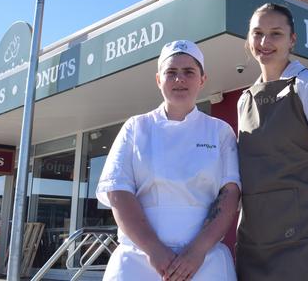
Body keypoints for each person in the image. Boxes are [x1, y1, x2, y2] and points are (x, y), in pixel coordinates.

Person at [96, 40, 241, 281]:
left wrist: (196, 252)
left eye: (188, 72)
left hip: (205, 262)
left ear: (202, 79)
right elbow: (118, 192)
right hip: (138, 260)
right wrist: (155, 250)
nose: (179, 79)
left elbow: (230, 194)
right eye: (170, 72)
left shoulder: (220, 132)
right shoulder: (136, 127)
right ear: (158, 80)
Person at [236, 3, 308, 281]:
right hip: (257, 241)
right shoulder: (244, 101)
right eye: (258, 33)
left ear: (292, 40)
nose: (265, 42)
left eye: (276, 34)